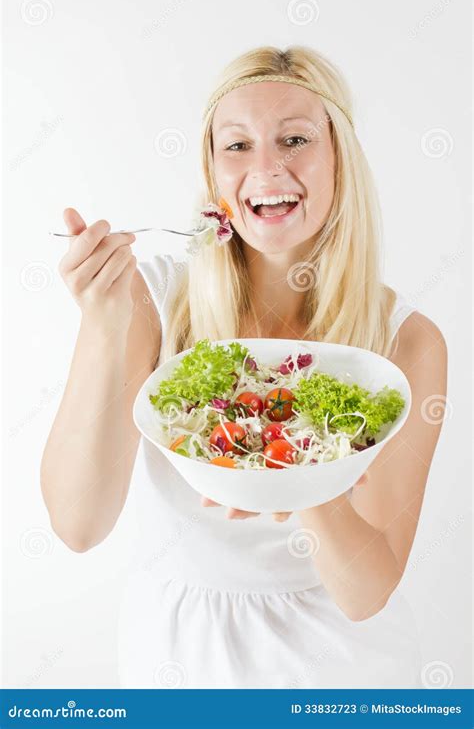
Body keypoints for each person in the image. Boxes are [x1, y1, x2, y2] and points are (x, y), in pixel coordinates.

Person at [41, 45, 448, 688]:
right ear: (211, 172)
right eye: (236, 146)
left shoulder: (408, 342)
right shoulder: (151, 299)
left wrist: (294, 468)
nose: (267, 167)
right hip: (177, 659)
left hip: (343, 672)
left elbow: (367, 592)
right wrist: (102, 323)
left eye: (295, 139)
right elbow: (78, 525)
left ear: (340, 157)